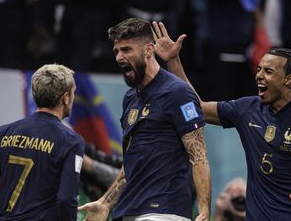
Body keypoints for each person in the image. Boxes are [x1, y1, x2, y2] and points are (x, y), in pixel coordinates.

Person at [153, 21, 291, 221]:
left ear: (288, 80)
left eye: (268, 72)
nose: (259, 76)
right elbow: (198, 109)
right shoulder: (247, 108)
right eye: (259, 69)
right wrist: (173, 61)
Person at [79, 18, 211, 221]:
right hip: (130, 210)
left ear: (149, 50)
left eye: (126, 50)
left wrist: (204, 210)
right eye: (116, 51)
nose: (119, 57)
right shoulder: (130, 98)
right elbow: (131, 163)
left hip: (164, 211)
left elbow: (198, 154)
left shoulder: (177, 93)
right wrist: (105, 203)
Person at [0, 64, 85, 220]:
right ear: (66, 97)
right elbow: (66, 200)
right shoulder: (71, 141)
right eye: (73, 93)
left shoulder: (3, 133)